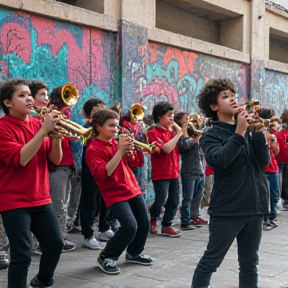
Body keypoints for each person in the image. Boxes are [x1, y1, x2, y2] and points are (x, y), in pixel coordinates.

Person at [191, 78, 270, 288]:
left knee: (250, 263)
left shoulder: (247, 129)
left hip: (255, 205)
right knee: (211, 261)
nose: (233, 99)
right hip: (228, 209)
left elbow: (263, 163)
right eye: (225, 96)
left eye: (233, 95)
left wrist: (258, 134)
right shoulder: (210, 136)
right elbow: (220, 161)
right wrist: (239, 132)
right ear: (214, 105)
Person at [0, 78, 64, 288]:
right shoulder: (3, 128)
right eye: (21, 95)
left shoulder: (39, 124)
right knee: (22, 255)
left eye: (29, 94)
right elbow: (21, 158)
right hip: (14, 201)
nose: (29, 98)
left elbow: (56, 160)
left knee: (55, 244)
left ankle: (42, 280)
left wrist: (55, 137)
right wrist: (44, 131)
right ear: (8, 103)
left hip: (40, 197)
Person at [86, 108, 152, 274]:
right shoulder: (93, 148)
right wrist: (120, 152)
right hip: (115, 192)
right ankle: (107, 256)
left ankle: (134, 252)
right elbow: (104, 173)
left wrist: (131, 152)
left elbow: (134, 164)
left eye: (116, 125)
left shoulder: (115, 143)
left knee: (144, 223)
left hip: (132, 187)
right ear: (98, 127)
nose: (115, 129)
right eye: (111, 126)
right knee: (130, 226)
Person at [80, 97, 116, 248]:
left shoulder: (107, 127)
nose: (99, 113)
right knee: (90, 200)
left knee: (105, 199)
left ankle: (104, 227)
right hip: (90, 167)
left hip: (105, 165)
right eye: (95, 111)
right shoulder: (86, 129)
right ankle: (88, 235)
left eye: (102, 109)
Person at [147, 102, 183, 237]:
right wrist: (178, 134)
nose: (172, 119)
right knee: (160, 199)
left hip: (174, 172)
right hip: (161, 173)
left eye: (172, 115)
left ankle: (167, 225)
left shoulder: (171, 132)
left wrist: (177, 132)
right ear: (159, 116)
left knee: (174, 200)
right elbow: (166, 149)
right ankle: (154, 218)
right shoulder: (153, 132)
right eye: (169, 116)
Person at [174, 112, 207, 230]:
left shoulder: (192, 129)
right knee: (188, 198)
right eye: (185, 118)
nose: (188, 120)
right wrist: (195, 139)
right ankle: (185, 221)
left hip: (199, 169)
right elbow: (183, 146)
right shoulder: (180, 134)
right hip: (189, 170)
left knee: (198, 196)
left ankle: (195, 216)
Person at [276, 110, 288, 208]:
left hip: (280, 160)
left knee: (281, 181)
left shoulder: (279, 134)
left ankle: (283, 199)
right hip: (283, 160)